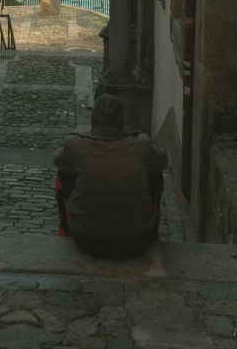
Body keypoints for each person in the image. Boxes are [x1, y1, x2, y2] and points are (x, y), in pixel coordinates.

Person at [53, 94, 168, 259]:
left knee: (64, 172)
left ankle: (64, 230)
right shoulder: (142, 144)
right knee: (154, 172)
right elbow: (162, 161)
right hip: (137, 239)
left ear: (92, 122)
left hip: (86, 238)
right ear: (122, 123)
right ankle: (152, 227)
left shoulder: (75, 145)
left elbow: (57, 159)